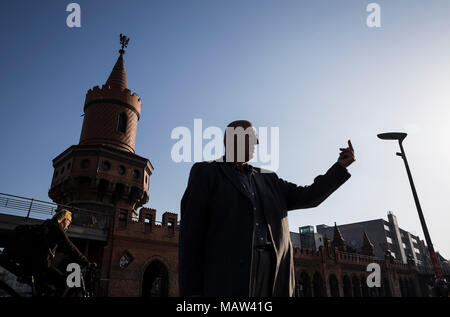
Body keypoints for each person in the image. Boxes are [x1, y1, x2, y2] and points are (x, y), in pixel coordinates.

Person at [179, 120, 354, 297]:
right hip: (229, 277)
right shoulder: (206, 173)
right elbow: (191, 237)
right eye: (253, 137)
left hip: (274, 273)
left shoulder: (269, 179)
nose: (258, 143)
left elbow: (309, 196)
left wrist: (339, 167)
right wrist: (192, 293)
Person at [3, 208, 95, 296]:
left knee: (44, 290)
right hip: (40, 267)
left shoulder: (46, 225)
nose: (69, 224)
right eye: (69, 221)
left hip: (30, 266)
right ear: (65, 219)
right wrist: (85, 262)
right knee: (64, 284)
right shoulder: (56, 227)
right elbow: (69, 246)